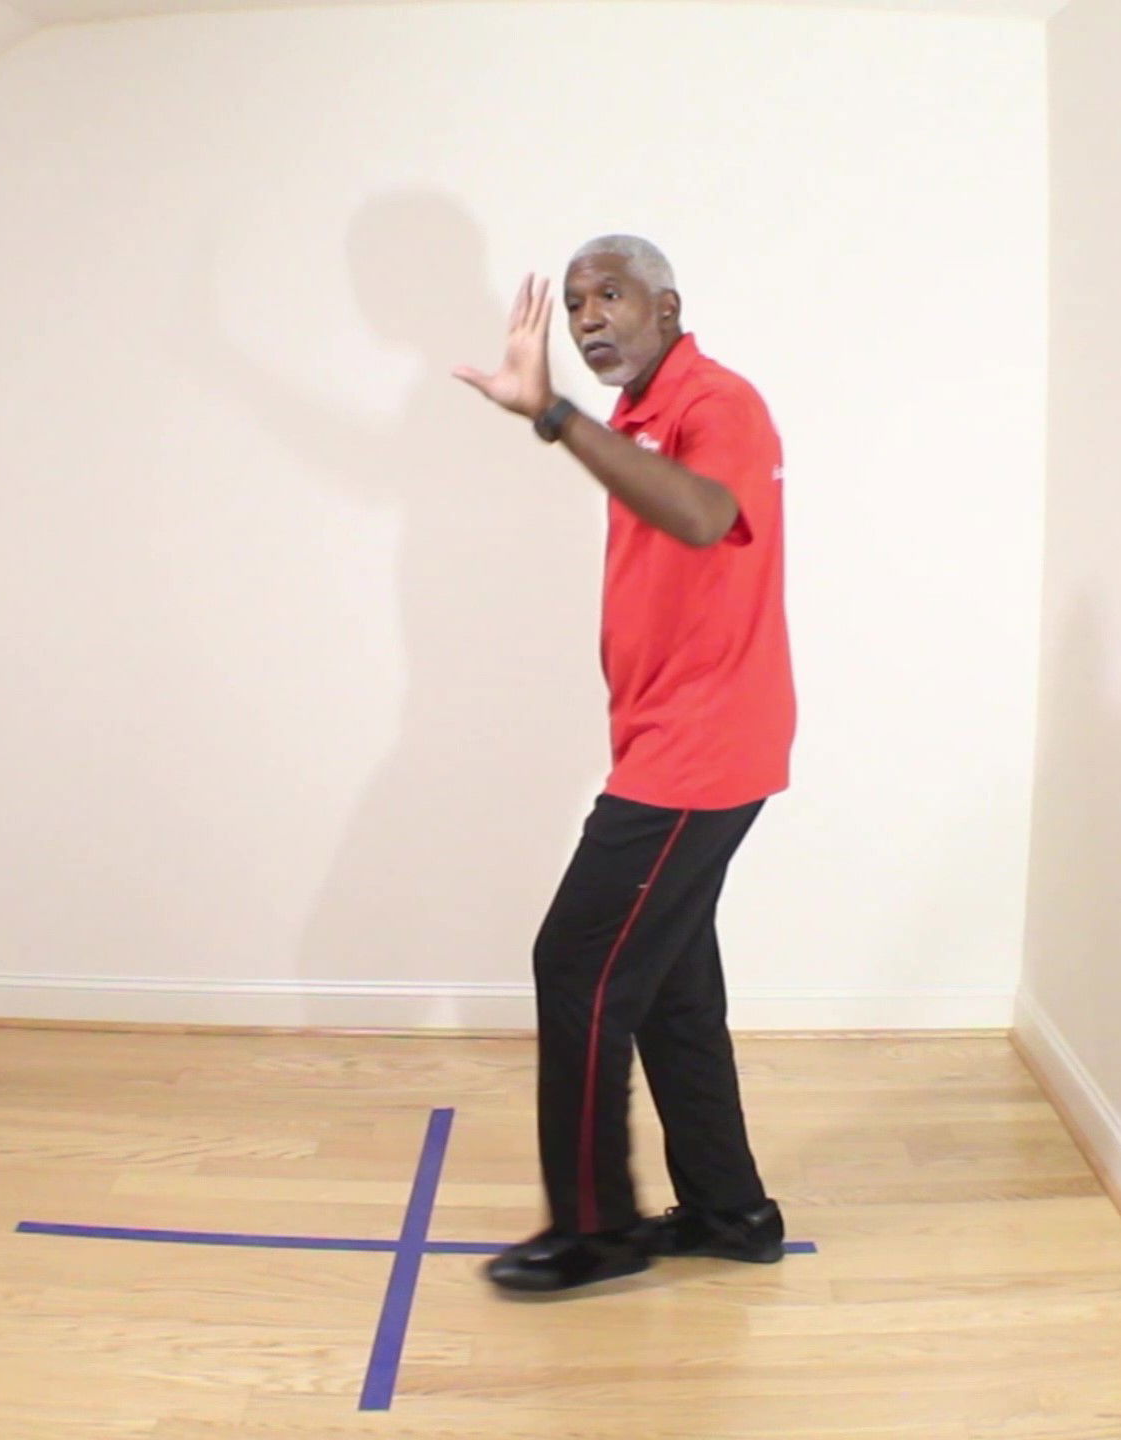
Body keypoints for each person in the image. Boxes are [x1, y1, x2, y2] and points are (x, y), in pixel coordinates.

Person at [453, 235, 795, 1293]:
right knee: (671, 988)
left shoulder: (717, 403)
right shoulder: (640, 416)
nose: (590, 317)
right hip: (672, 742)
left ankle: (595, 1231)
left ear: (667, 307)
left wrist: (552, 416)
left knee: (576, 965)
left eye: (611, 295)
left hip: (700, 751)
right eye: (575, 304)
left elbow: (699, 514)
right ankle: (732, 1213)